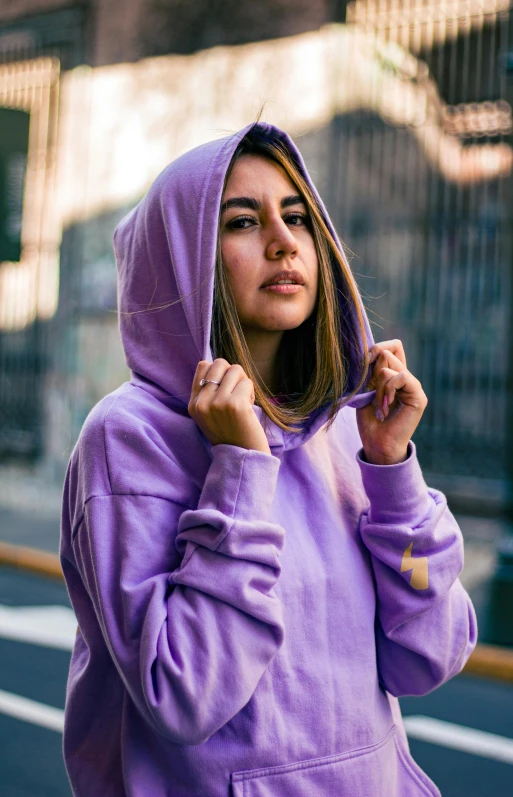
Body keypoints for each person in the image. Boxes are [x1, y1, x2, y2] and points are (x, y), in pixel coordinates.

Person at [59, 121, 477, 797]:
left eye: (296, 217)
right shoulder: (127, 438)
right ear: (182, 255)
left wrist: (392, 470)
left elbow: (430, 655)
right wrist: (240, 472)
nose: (284, 241)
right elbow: (184, 693)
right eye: (243, 221)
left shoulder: (345, 427)